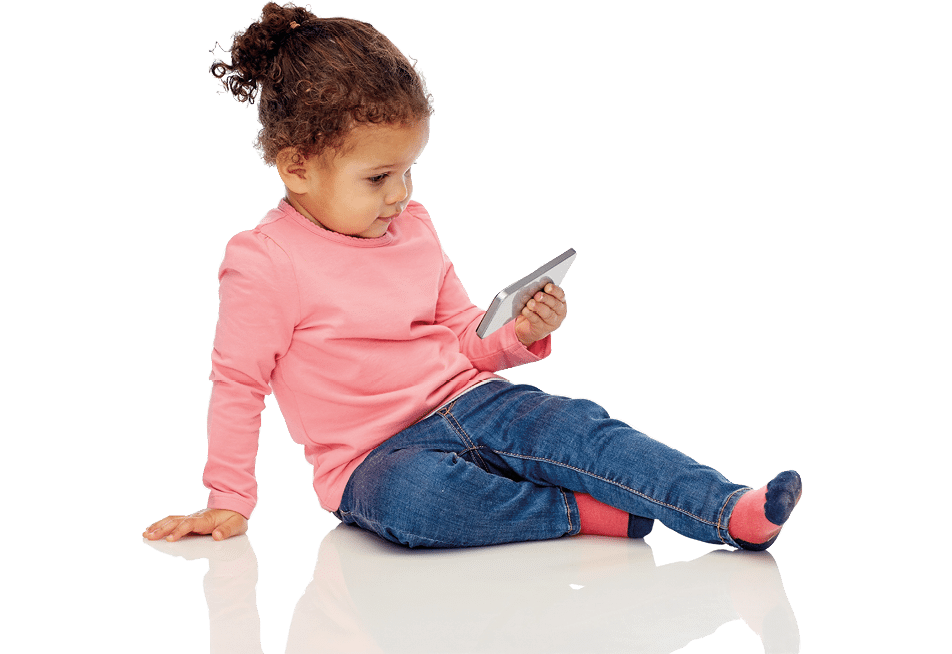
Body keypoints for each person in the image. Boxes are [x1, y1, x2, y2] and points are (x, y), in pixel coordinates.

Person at [143, 1, 802, 550]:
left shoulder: (414, 225)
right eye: (377, 178)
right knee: (413, 504)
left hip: (473, 400)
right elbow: (237, 383)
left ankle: (728, 510)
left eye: (408, 170)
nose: (400, 194)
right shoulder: (263, 262)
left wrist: (513, 335)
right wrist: (229, 498)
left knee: (578, 427)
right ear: (297, 168)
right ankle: (583, 515)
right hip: (374, 461)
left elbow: (463, 336)